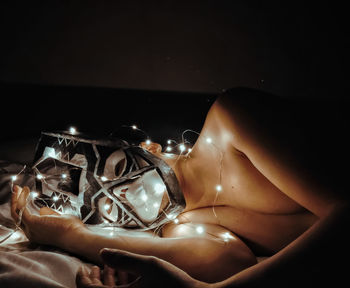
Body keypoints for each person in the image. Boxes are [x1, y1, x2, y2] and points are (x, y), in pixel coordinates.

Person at [11, 87, 350, 287]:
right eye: (110, 207)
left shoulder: (230, 122)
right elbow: (231, 262)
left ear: (150, 147)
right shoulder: (184, 228)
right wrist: (71, 235)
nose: (122, 192)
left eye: (115, 168)